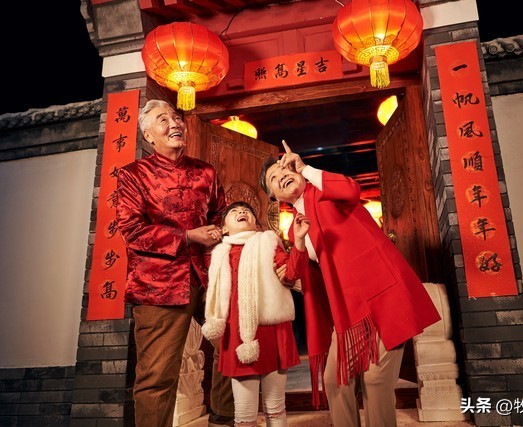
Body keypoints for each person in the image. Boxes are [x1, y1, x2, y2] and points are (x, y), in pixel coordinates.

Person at [259, 141, 442, 427]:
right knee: (336, 381)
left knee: (376, 379)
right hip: (349, 312)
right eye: (273, 177)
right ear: (272, 195)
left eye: (285, 168)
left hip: (383, 294)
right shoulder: (296, 226)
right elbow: (299, 275)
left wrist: (306, 168)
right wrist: (297, 244)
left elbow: (351, 189)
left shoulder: (325, 192)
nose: (282, 174)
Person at [116, 99, 234, 427]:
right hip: (158, 285)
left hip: (209, 277)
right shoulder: (132, 175)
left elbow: (220, 214)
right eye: (163, 119)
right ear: (148, 135)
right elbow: (133, 231)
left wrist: (223, 235)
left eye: (176, 118)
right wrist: (189, 236)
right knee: (157, 376)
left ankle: (225, 417)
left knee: (235, 346)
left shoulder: (205, 172)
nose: (174, 123)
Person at [201, 201, 310, 427]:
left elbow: (291, 274)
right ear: (224, 228)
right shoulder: (218, 254)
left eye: (247, 211)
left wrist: (299, 242)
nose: (241, 212)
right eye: (234, 211)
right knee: (244, 413)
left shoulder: (269, 243)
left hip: (272, 331)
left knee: (275, 407)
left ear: (256, 225)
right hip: (239, 337)